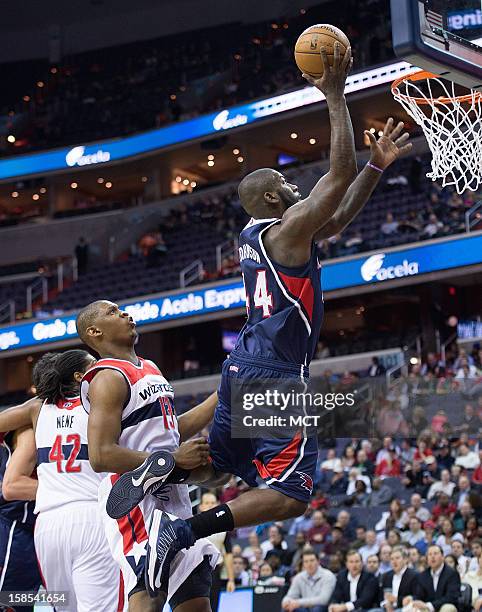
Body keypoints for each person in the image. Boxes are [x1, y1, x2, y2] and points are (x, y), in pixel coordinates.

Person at [109, 49, 411, 583]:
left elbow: (334, 219)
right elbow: (334, 177)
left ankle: (167, 466)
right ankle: (182, 531)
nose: (299, 190)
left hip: (241, 366)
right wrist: (336, 95)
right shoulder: (288, 227)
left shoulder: (259, 234)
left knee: (220, 464)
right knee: (291, 494)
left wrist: (375, 167)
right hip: (271, 376)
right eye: (291, 186)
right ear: (275, 196)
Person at [76, 300, 221, 612]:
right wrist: (172, 460)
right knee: (147, 596)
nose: (126, 314)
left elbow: (172, 430)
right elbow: (101, 455)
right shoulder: (107, 377)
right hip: (135, 498)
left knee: (195, 597)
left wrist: (221, 396)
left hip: (174, 492)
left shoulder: (151, 367)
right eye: (113, 312)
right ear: (95, 331)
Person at [0, 350, 121, 611]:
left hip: (47, 527)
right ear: (78, 376)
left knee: (61, 605)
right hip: (69, 522)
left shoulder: (37, 409)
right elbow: (11, 487)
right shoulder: (99, 405)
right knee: (13, 602)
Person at [0, 409, 41, 610]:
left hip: (40, 530)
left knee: (60, 599)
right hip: (14, 530)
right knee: (10, 603)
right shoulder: (32, 422)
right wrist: (67, 488)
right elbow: (12, 487)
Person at [408, 544, 460, 611]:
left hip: (445, 606)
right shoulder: (422, 575)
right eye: (430, 554)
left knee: (447, 608)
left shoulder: (452, 574)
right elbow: (419, 595)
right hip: (428, 607)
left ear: (442, 557)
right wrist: (414, 600)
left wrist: (430, 605)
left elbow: (451, 597)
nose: (432, 556)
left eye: (435, 553)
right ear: (427, 559)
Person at [372, 546, 418, 612]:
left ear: (405, 560)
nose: (394, 561)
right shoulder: (386, 576)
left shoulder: (414, 575)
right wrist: (385, 604)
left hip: (404, 608)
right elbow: (381, 596)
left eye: (397, 558)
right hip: (387, 608)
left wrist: (397, 600)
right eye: (392, 559)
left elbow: (416, 596)